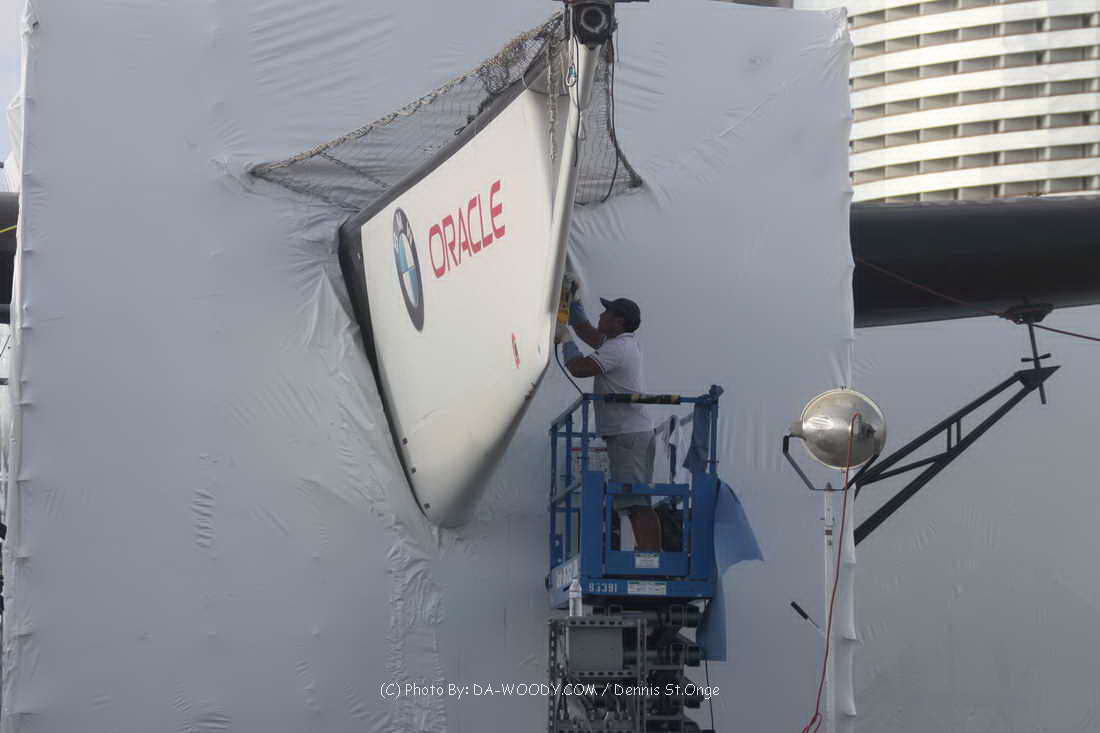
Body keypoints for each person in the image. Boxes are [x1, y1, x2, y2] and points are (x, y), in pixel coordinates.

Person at [557, 293, 661, 551]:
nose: (601, 315)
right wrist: (574, 302)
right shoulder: (620, 343)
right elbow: (588, 333)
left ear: (618, 321)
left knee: (636, 502)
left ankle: (650, 558)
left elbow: (579, 368)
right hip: (630, 434)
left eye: (606, 313)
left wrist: (566, 340)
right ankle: (649, 557)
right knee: (634, 500)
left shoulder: (618, 348)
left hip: (629, 436)